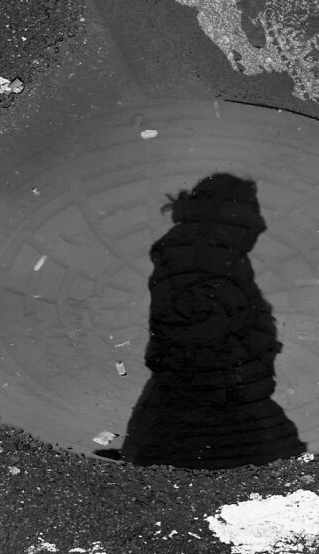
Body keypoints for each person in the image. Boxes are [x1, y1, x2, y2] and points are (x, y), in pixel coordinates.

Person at [120, 173, 304, 468]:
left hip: (210, 397)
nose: (261, 224)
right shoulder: (199, 256)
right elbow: (200, 339)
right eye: (252, 210)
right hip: (213, 401)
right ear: (224, 212)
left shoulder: (209, 253)